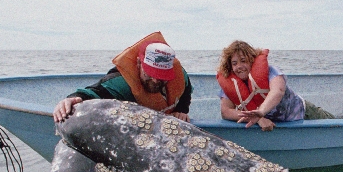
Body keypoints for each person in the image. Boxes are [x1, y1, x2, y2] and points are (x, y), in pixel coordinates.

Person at [53, 32, 192, 122]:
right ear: (138, 63)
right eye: (150, 74)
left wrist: (181, 111)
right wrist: (71, 99)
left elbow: (186, 91)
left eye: (162, 77)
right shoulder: (120, 83)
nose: (156, 81)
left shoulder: (180, 76)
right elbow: (94, 93)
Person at [216, 40, 306, 131]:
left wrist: (261, 112)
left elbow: (278, 91)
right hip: (273, 123)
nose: (239, 66)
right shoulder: (231, 83)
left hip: (303, 113)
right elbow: (226, 112)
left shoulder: (270, 71)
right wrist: (257, 119)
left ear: (251, 60)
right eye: (234, 63)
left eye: (243, 61)